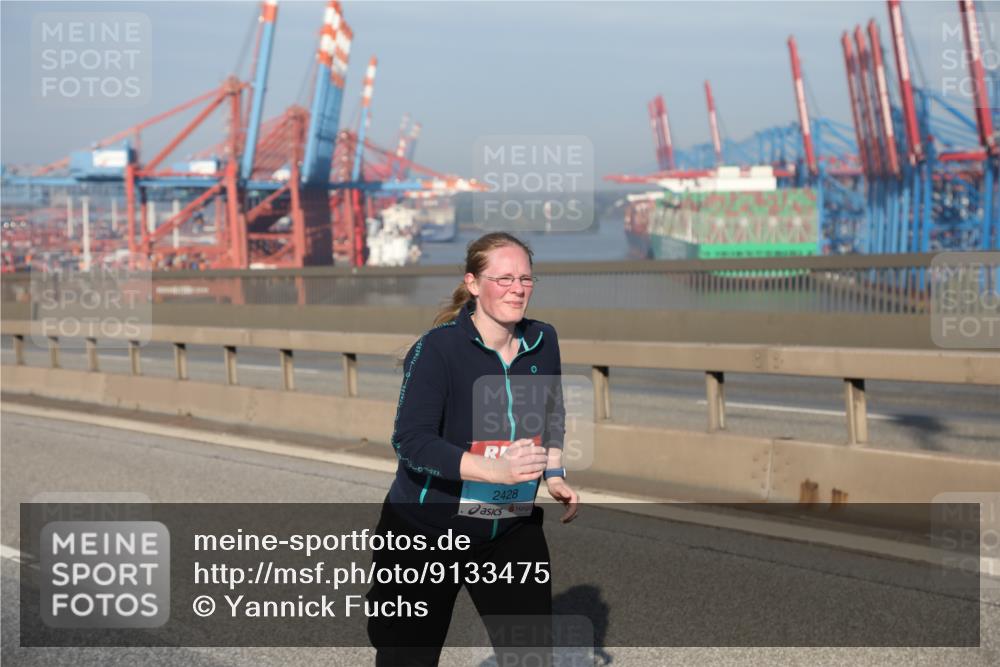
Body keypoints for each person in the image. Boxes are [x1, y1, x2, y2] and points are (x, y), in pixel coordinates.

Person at [366, 231, 579, 666]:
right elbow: (411, 442)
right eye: (503, 279)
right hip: (425, 531)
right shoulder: (438, 349)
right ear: (474, 283)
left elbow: (551, 410)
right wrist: (494, 470)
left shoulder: (543, 340)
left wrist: (553, 473)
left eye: (525, 278)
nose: (517, 289)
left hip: (507, 526)